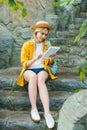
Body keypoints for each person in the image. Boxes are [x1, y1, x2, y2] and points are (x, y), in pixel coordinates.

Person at [17, 21, 57, 129]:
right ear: (36, 32)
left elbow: (50, 64)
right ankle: (34, 109)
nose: (44, 36)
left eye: (46, 34)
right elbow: (24, 63)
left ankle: (47, 113)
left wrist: (52, 59)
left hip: (42, 69)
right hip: (29, 69)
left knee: (40, 79)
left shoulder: (47, 45)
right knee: (33, 77)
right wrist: (36, 58)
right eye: (42, 34)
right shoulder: (26, 44)